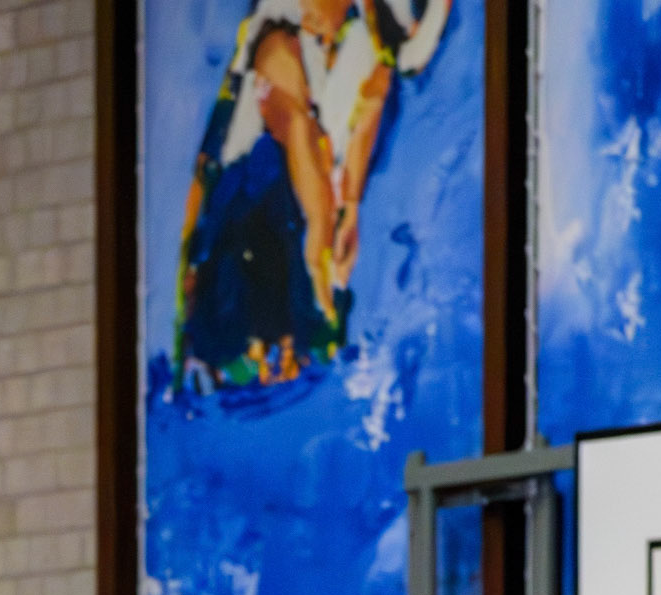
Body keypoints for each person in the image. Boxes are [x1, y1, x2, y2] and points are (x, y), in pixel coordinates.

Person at [177, 0, 454, 376]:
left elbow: (362, 128)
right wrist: (320, 243)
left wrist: (349, 210)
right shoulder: (275, 36)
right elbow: (297, 133)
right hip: (244, 228)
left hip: (306, 223)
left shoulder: (367, 46)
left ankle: (300, 351)